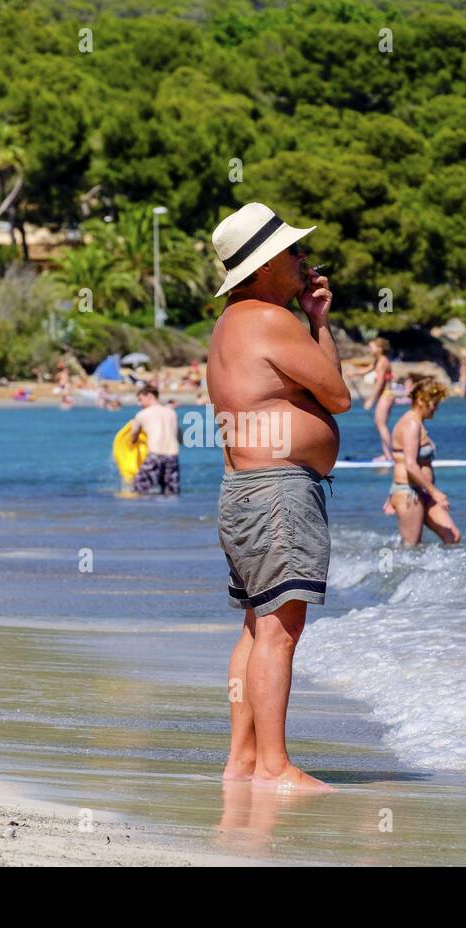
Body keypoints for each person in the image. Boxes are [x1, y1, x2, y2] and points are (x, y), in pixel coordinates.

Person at [207, 202, 350, 793]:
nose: (303, 260)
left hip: (244, 490)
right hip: (275, 495)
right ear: (264, 266)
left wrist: (314, 314)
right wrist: (317, 323)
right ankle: (274, 766)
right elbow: (338, 395)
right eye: (293, 252)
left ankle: (243, 761)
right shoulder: (268, 317)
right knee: (279, 632)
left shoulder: (230, 324)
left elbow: (318, 387)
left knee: (255, 627)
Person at [388, 377, 461, 546]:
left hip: (421, 491)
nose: (436, 408)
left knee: (453, 536)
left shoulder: (418, 423)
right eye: (434, 403)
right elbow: (410, 464)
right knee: (412, 548)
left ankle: (444, 572)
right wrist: (435, 492)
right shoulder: (411, 424)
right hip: (409, 493)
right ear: (421, 400)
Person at [128, 385, 181, 495]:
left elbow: (133, 437)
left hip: (155, 457)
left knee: (138, 490)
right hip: (173, 457)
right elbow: (180, 438)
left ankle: (146, 512)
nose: (139, 404)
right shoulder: (172, 413)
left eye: (140, 399)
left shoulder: (142, 414)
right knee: (171, 493)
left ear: (150, 396)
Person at [350, 337, 395, 460]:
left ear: (379, 349)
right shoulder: (378, 360)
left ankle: (388, 455)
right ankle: (387, 454)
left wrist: (371, 400)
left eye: (372, 347)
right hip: (385, 395)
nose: (370, 350)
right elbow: (368, 369)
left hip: (386, 395)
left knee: (381, 424)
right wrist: (354, 374)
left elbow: (380, 382)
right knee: (380, 423)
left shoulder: (382, 362)